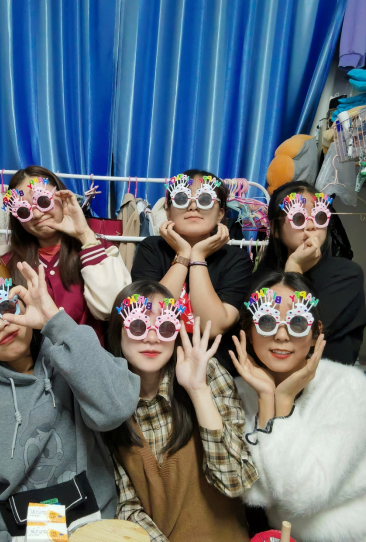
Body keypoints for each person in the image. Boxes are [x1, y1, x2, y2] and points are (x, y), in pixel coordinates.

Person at [0, 249, 140, 541]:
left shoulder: (70, 355)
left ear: (21, 302)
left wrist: (55, 322)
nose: (0, 323)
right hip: (17, 534)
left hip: (95, 526)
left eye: (5, 306)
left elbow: (116, 408)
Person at [106, 280, 257, 542]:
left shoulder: (208, 373)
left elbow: (236, 482)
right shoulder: (107, 402)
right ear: (118, 330)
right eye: (138, 325)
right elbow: (127, 507)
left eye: (164, 327)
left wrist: (198, 391)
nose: (151, 338)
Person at [231, 272, 366, 542]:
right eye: (267, 321)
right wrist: (266, 398)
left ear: (316, 333)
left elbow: (303, 495)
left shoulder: (348, 386)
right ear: (249, 331)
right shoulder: (237, 390)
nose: (282, 335)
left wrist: (281, 404)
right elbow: (255, 494)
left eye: (297, 322)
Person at [131, 170, 252, 372]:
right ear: (168, 211)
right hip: (156, 367)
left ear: (221, 213)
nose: (193, 206)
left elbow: (212, 327)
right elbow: (150, 317)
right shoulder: (151, 248)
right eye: (181, 199)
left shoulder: (236, 259)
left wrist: (198, 257)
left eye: (205, 199)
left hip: (213, 370)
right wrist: (183, 255)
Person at [2, 166, 131, 343]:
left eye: (43, 200)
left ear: (61, 196)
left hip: (94, 359)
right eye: (23, 210)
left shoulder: (101, 249)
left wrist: (84, 235)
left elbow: (112, 309)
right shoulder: (6, 265)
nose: (37, 214)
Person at [254, 180, 366, 364]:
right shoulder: (262, 279)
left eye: (320, 216)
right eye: (298, 218)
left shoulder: (347, 275)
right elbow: (263, 339)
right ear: (275, 229)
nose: (311, 225)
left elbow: (295, 334)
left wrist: (294, 268)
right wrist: (293, 268)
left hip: (326, 377)